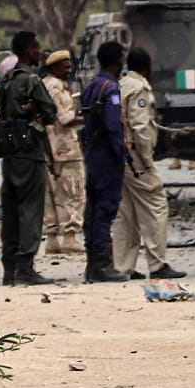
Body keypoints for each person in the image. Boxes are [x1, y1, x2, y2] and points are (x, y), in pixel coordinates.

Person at [113, 48, 185, 279]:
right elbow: (140, 125)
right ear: (148, 66)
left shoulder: (122, 84)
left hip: (121, 156)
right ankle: (157, 264)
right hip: (136, 158)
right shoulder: (139, 89)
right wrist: (145, 159)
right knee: (156, 206)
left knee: (127, 213)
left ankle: (122, 266)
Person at [0, 31, 59, 285]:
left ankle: (9, 269)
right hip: (30, 152)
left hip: (9, 152)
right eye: (36, 47)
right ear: (27, 50)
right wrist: (37, 111)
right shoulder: (31, 80)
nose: (39, 52)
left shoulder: (6, 80)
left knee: (10, 211)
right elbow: (51, 113)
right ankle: (25, 267)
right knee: (31, 209)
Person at [78, 41, 130, 282]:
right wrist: (120, 156)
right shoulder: (111, 89)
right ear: (118, 61)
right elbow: (113, 126)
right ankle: (100, 265)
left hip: (92, 154)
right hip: (107, 157)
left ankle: (93, 264)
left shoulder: (91, 86)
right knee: (105, 210)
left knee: (93, 209)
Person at [41, 50, 86, 255]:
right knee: (73, 193)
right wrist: (89, 117)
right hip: (66, 148)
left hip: (49, 148)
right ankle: (70, 236)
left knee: (51, 194)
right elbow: (66, 119)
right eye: (65, 67)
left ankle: (51, 239)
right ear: (54, 67)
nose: (69, 71)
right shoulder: (57, 87)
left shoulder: (44, 84)